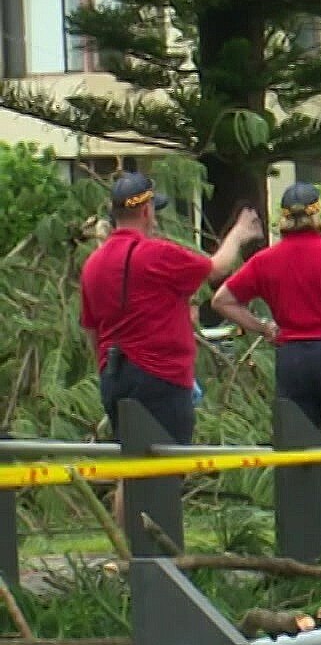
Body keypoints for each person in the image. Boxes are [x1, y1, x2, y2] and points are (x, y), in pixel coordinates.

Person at [210, 182, 321, 527]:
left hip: (293, 357)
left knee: (297, 448)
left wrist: (263, 327)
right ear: (318, 214)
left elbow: (222, 300)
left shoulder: (266, 261)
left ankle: (303, 531)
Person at [80, 172, 260, 445]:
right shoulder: (157, 254)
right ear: (146, 210)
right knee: (166, 468)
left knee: (130, 468)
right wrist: (239, 233)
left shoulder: (93, 264)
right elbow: (216, 268)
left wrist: (105, 368)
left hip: (114, 375)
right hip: (160, 377)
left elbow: (92, 330)